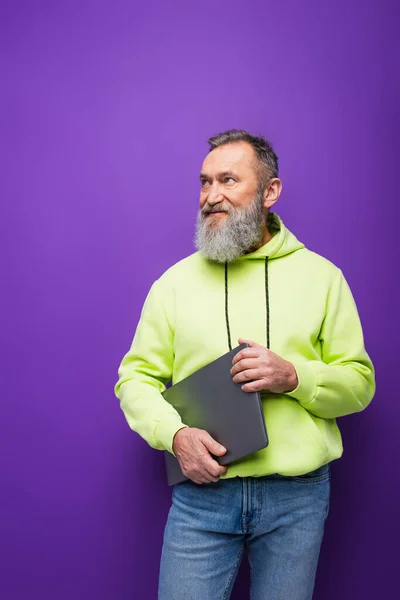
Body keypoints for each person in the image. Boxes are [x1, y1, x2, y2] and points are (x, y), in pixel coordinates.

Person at [114, 129, 375, 600]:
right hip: (202, 497)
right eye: (204, 182)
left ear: (270, 192)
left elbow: (360, 384)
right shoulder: (172, 285)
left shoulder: (323, 278)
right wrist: (174, 436)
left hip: (298, 498)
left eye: (228, 180)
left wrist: (295, 376)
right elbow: (134, 379)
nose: (211, 196)